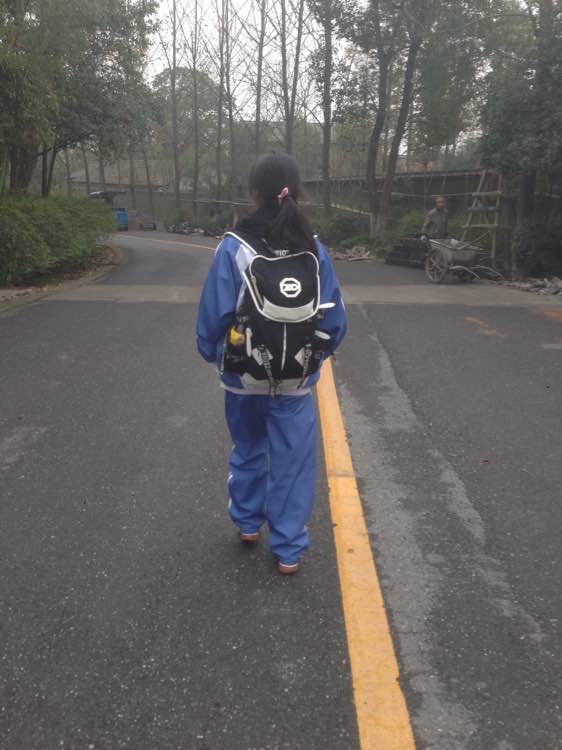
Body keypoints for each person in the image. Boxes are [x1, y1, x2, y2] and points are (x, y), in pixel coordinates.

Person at [196, 154, 347, 575]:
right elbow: (334, 320)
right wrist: (314, 358)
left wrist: (213, 354)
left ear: (254, 194)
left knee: (248, 448)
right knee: (292, 461)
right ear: (296, 192)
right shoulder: (314, 248)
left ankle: (247, 524)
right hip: (296, 379)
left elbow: (214, 315)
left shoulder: (234, 246)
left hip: (243, 376)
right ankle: (288, 549)